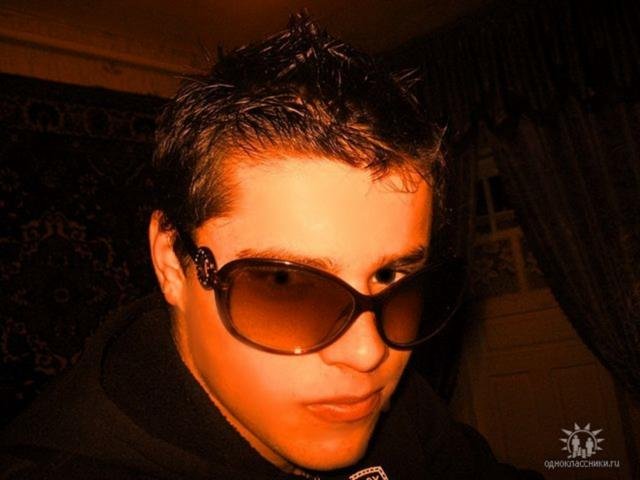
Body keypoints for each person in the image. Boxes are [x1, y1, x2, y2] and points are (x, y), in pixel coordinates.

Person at [0, 14, 543, 480]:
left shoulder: (397, 408)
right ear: (171, 262)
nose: (369, 354)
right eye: (286, 285)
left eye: (392, 278)